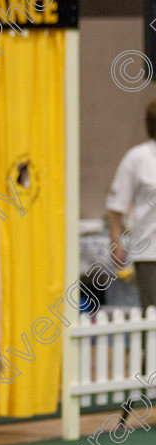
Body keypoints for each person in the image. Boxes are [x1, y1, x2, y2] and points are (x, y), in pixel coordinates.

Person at [106, 99, 156, 312]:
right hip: (149, 253)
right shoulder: (137, 158)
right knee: (152, 315)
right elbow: (116, 207)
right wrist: (116, 244)